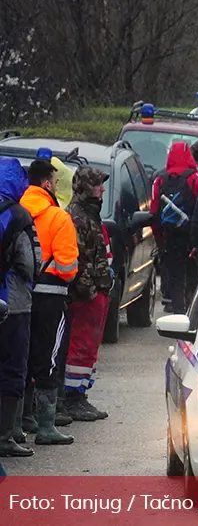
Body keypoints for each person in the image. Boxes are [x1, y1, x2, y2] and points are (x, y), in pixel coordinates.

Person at [20, 159, 79, 445]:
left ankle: (21, 421)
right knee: (49, 358)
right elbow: (68, 267)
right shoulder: (58, 217)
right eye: (55, 182)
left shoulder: (15, 211)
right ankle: (46, 427)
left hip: (20, 296)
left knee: (22, 355)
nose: (57, 187)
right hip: (51, 297)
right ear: (47, 183)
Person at [62, 167, 113, 422]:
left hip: (94, 292)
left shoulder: (89, 214)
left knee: (87, 347)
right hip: (85, 296)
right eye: (97, 185)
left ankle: (78, 394)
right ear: (85, 188)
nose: (102, 189)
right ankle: (73, 399)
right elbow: (77, 259)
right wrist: (89, 291)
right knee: (80, 347)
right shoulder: (78, 217)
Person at [0, 157, 39, 457]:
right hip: (13, 305)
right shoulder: (19, 216)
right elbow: (28, 262)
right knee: (13, 368)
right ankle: (6, 436)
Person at [151, 142, 198, 314]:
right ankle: (194, 311)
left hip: (171, 236)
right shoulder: (197, 178)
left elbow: (154, 213)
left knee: (176, 276)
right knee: (196, 275)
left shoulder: (160, 180)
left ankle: (179, 312)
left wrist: (160, 240)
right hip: (192, 236)